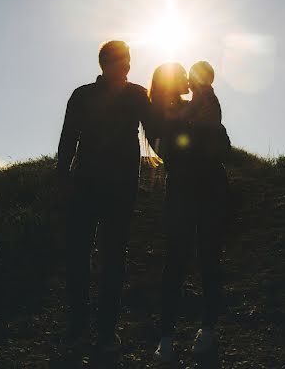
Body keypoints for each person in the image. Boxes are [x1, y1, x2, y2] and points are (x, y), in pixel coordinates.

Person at [56, 40, 152, 353]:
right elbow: (68, 138)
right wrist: (63, 179)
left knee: (114, 255)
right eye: (121, 59)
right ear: (106, 62)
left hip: (122, 187)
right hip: (85, 184)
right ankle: (78, 323)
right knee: (78, 255)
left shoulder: (138, 94)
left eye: (128, 59)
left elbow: (155, 130)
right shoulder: (82, 95)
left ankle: (106, 330)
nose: (127, 64)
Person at [147, 62, 230, 362]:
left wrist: (208, 125)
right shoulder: (157, 113)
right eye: (181, 75)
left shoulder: (199, 102)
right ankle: (167, 336)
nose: (187, 79)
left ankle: (207, 328)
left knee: (208, 256)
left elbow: (219, 139)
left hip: (209, 185)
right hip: (183, 188)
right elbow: (166, 148)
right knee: (176, 261)